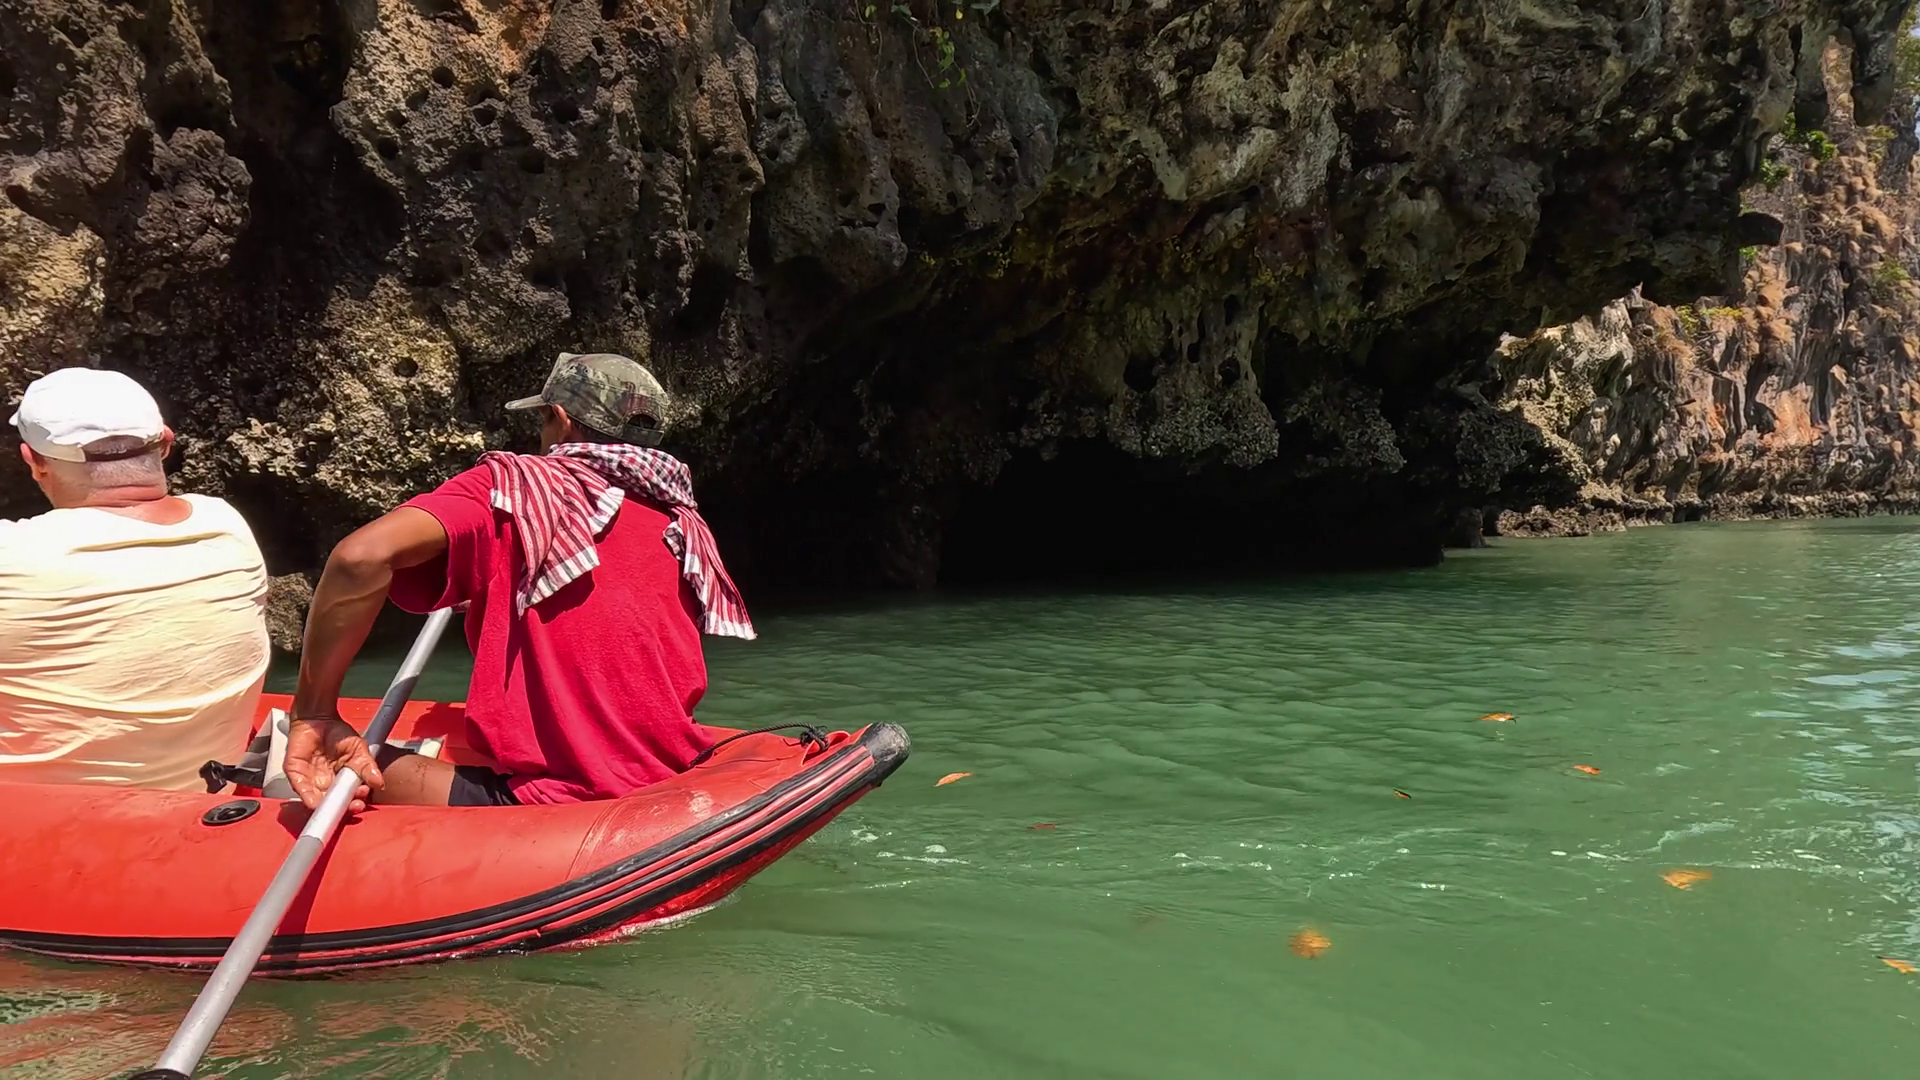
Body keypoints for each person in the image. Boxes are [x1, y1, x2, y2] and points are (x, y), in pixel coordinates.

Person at [285, 352, 755, 811]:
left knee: (314, 758)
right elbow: (602, 606)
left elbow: (359, 558)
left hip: (565, 796)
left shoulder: (514, 486)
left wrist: (315, 713)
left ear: (560, 420)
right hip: (671, 770)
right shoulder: (679, 521)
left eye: (543, 422)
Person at [0, 368, 270, 789]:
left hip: (40, 821)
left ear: (34, 462)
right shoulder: (227, 525)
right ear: (165, 442)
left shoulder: (12, 556)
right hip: (203, 805)